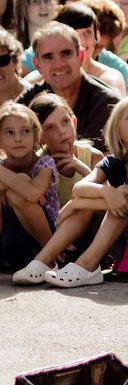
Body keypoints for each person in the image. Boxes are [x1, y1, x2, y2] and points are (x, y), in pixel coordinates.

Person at [13, 94, 128, 287]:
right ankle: (43, 261)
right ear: (117, 131)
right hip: (125, 247)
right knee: (106, 199)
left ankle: (87, 266)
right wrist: (102, 193)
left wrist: (77, 203)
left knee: (125, 201)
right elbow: (80, 187)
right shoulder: (113, 162)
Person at [17, 23, 119, 150]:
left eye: (66, 53)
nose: (59, 64)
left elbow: (92, 157)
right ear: (37, 65)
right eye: (48, 57)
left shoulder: (107, 104)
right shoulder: (26, 104)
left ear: (81, 56)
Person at [0, 101, 58, 273]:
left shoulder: (45, 164)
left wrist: (21, 180)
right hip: (7, 242)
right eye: (9, 133)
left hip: (41, 242)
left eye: (25, 131)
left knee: (16, 194)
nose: (18, 138)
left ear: (36, 136)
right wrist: (22, 180)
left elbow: (33, 194)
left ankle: (51, 258)